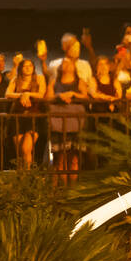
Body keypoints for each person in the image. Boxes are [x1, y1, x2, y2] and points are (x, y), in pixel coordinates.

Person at [46, 57, 88, 185]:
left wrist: (73, 94)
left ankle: (73, 188)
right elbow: (47, 97)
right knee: (61, 158)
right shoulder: (54, 81)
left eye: (69, 63)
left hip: (76, 123)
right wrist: (58, 96)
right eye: (64, 63)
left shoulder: (79, 81)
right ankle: (63, 188)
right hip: (59, 124)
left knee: (74, 157)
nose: (67, 66)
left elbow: (86, 96)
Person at [5, 57, 46, 169]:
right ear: (21, 68)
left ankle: (28, 176)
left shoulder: (39, 78)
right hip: (18, 117)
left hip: (33, 118)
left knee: (26, 148)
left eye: (30, 66)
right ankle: (22, 177)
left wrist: (27, 94)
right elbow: (7, 94)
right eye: (25, 66)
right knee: (20, 152)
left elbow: (41, 94)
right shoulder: (15, 80)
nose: (28, 68)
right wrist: (21, 95)